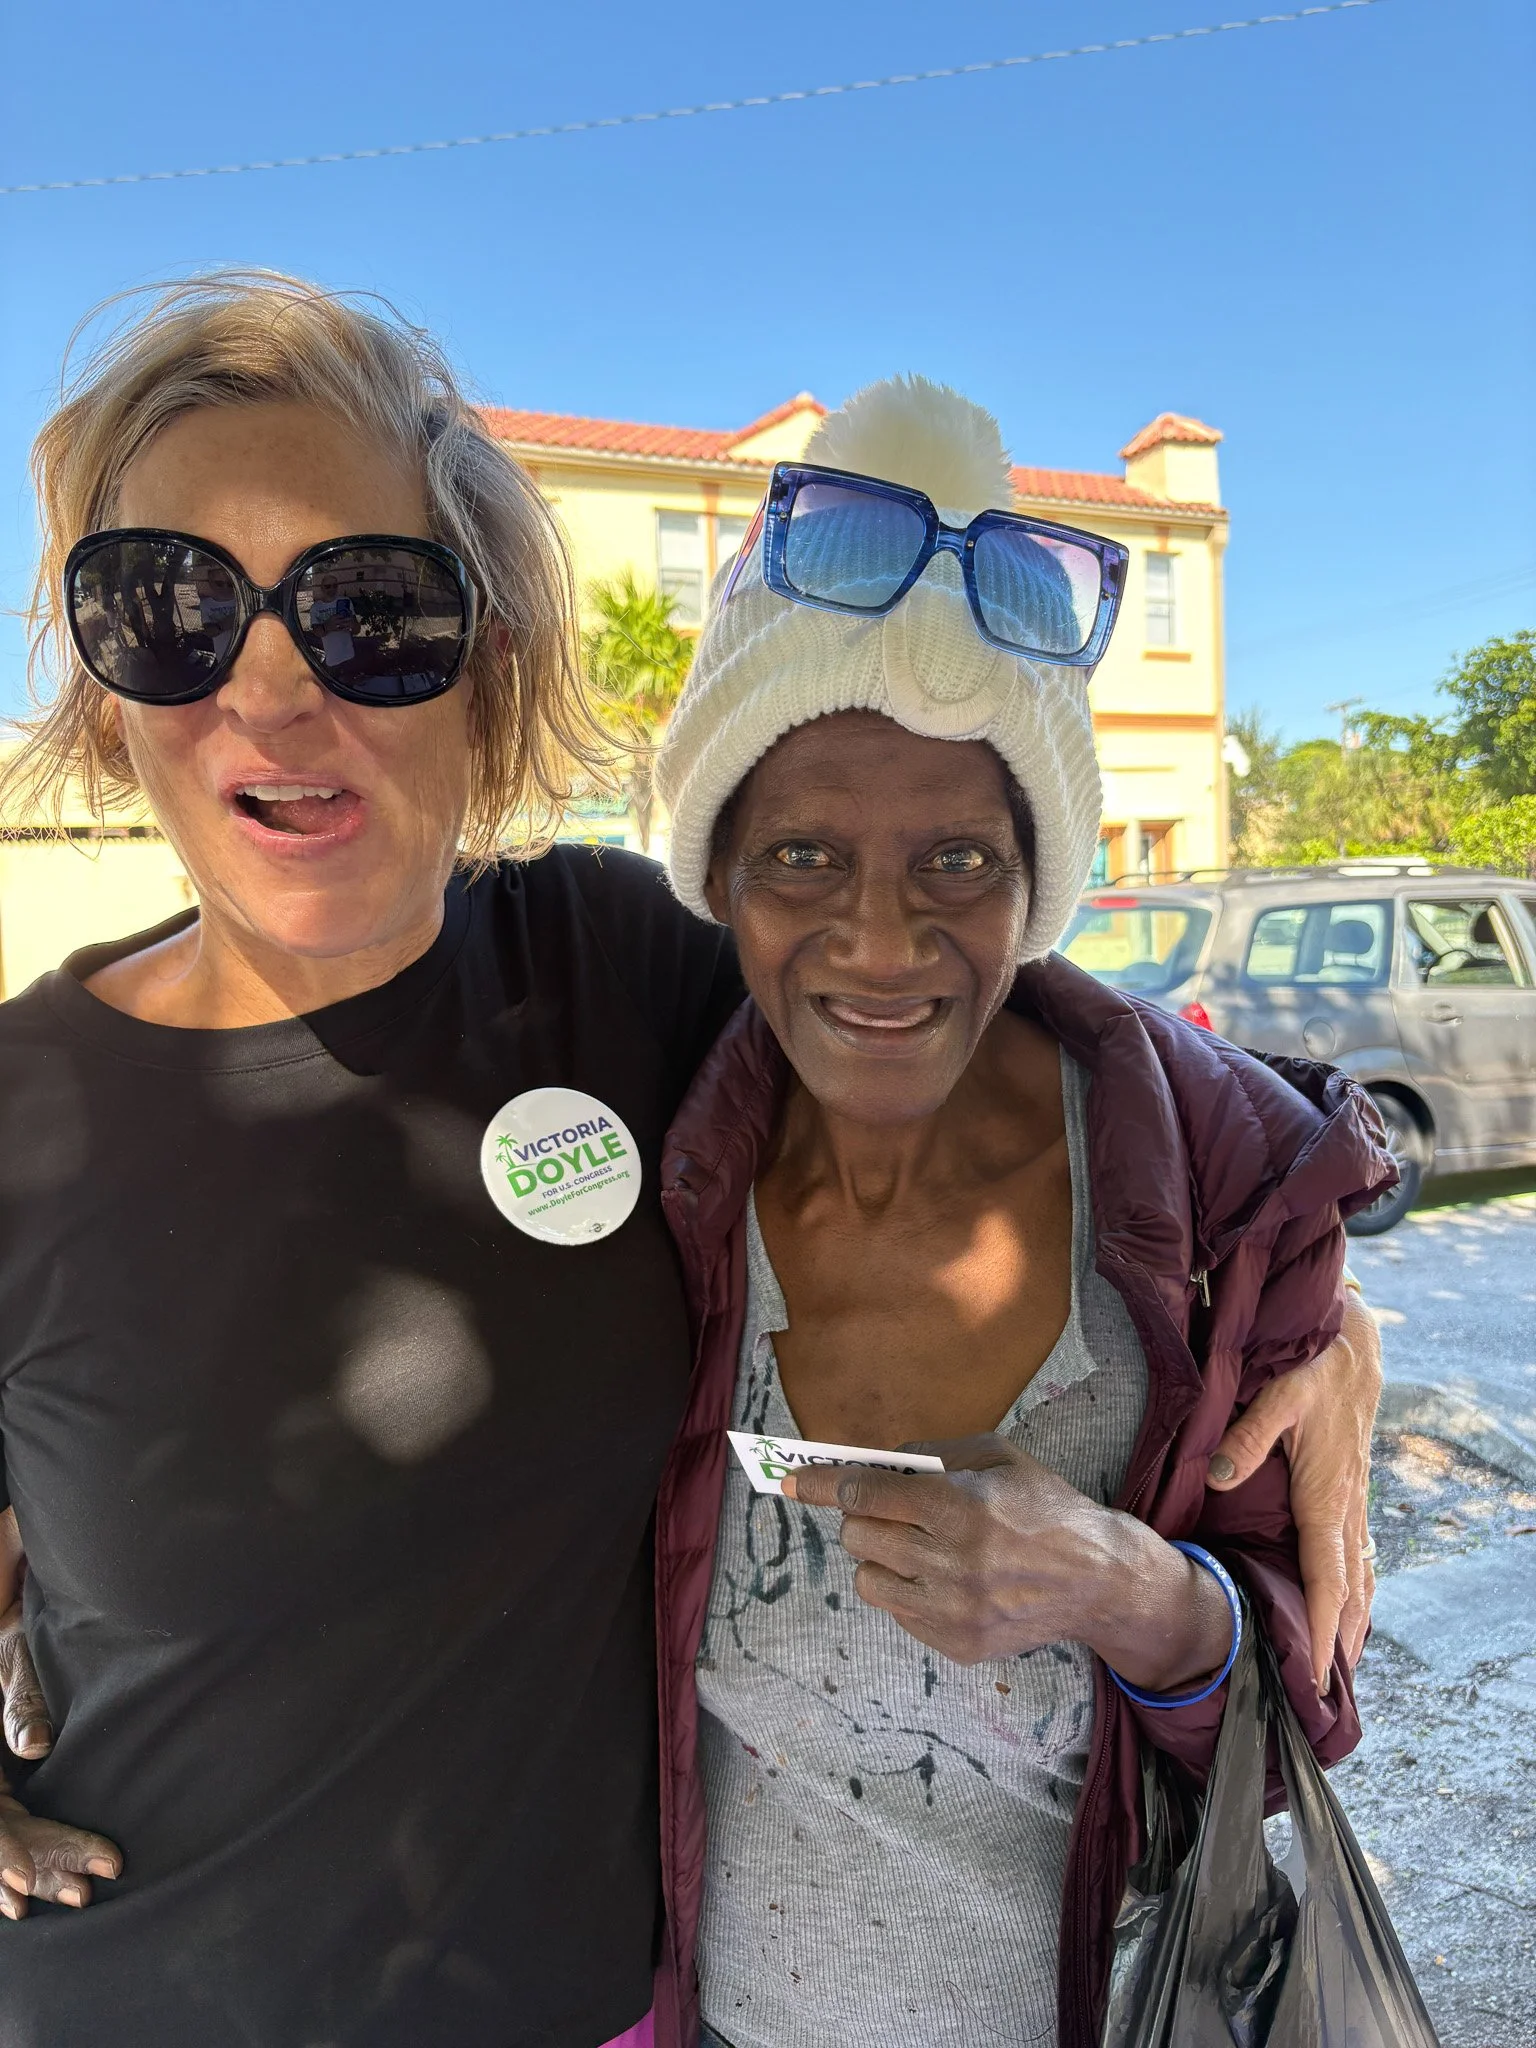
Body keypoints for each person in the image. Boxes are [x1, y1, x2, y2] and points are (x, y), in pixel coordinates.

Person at [0, 283, 1380, 2048]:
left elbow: (960, 964)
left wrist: (1317, 1307)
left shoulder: (610, 970)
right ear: (100, 669)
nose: (270, 688)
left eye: (371, 613)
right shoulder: (25, 1121)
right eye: (171, 604)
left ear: (485, 663)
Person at [641, 377, 1392, 2048]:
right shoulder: (663, 1166)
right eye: (805, 860)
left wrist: (1134, 1591)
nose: (885, 941)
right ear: (723, 874)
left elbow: (1306, 1713)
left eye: (958, 863)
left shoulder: (1208, 1188)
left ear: (1037, 869)